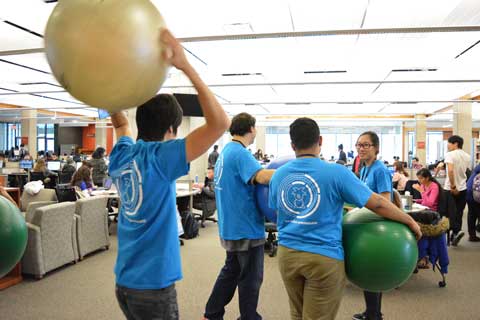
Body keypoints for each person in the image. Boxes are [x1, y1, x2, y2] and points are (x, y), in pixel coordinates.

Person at [109, 29, 229, 320]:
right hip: (152, 287)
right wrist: (185, 65)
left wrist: (106, 92)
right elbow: (220, 123)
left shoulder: (122, 154)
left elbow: (122, 126)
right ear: (172, 131)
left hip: (124, 282)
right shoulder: (161, 158)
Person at [268, 119, 421, 320]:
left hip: (287, 255)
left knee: (297, 313)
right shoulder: (336, 172)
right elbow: (378, 203)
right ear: (320, 140)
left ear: (292, 145)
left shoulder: (278, 175)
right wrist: (409, 221)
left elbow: (278, 213)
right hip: (322, 257)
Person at [203, 112, 275, 320]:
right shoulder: (241, 154)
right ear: (251, 129)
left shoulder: (226, 152)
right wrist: (293, 170)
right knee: (251, 278)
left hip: (231, 226)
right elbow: (261, 177)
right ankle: (249, 317)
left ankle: (212, 313)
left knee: (231, 272)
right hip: (246, 228)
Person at [353, 131, 395, 320]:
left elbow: (386, 200)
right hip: (366, 223)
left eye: (366, 145)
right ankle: (372, 311)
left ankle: (374, 314)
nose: (361, 148)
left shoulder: (380, 170)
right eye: (359, 145)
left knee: (372, 272)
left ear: (376, 148)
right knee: (367, 271)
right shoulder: (364, 168)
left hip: (377, 226)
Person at [444, 135, 471, 246]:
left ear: (455, 144)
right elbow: (464, 171)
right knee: (459, 212)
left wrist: (453, 186)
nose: (448, 145)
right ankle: (456, 233)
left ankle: (453, 232)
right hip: (463, 187)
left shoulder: (450, 154)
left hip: (450, 187)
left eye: (449, 143)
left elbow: (450, 171)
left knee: (449, 212)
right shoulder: (467, 156)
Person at [466, 163, 480, 242]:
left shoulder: (477, 168)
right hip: (476, 193)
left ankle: (472, 235)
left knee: (471, 214)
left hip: (469, 191)